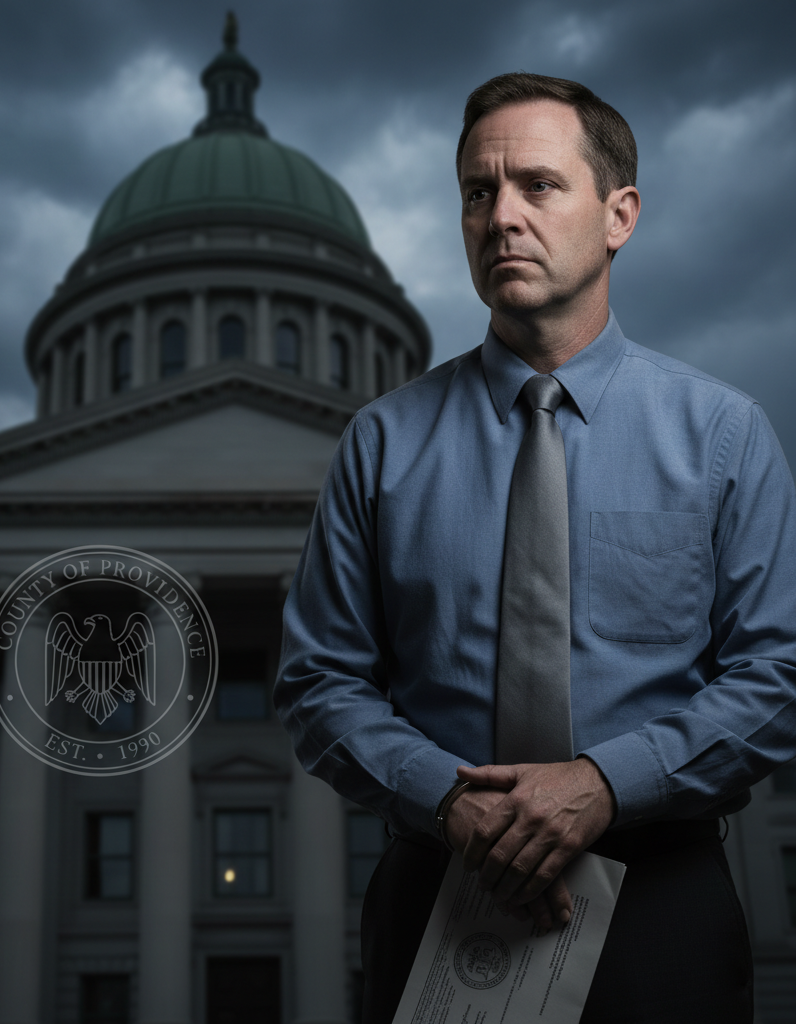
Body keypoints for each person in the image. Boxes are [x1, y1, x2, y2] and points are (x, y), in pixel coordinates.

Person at [274, 72, 796, 1024]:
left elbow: (779, 672)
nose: (501, 216)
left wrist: (604, 784)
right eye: (479, 191)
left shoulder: (725, 434)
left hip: (659, 894)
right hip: (438, 888)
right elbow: (319, 685)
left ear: (619, 214)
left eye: (539, 186)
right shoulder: (383, 444)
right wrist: (450, 802)